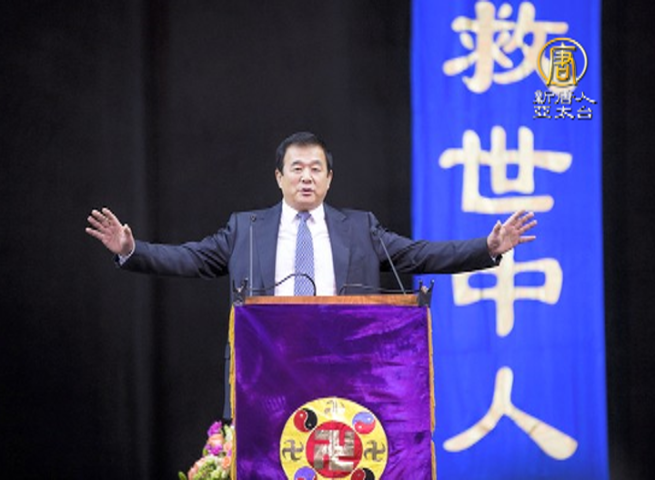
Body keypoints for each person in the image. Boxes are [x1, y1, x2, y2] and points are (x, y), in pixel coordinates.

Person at [86, 131, 536, 417]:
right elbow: (191, 258)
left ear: (329, 179)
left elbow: (418, 255)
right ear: (279, 177)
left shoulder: (359, 228)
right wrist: (131, 250)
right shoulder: (246, 228)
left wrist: (486, 247)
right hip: (265, 375)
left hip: (344, 370)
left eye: (316, 169)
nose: (306, 177)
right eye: (297, 169)